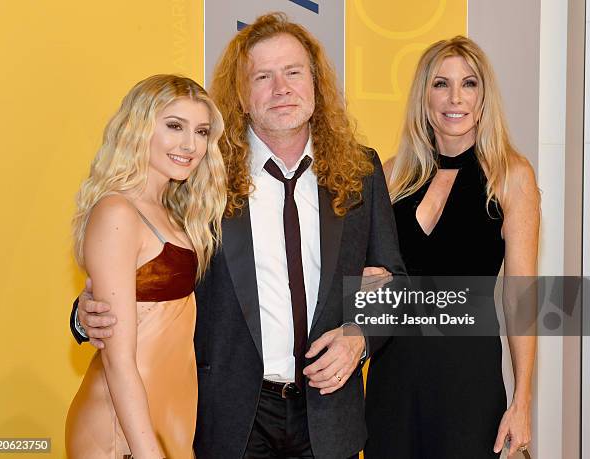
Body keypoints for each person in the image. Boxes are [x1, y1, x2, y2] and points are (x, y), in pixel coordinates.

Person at [72, 12, 407, 459]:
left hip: (330, 416)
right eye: (262, 76)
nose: (281, 88)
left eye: (293, 72)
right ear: (242, 96)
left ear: (316, 84)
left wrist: (359, 336)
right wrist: (85, 314)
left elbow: (397, 284)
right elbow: (149, 257)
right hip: (227, 419)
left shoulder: (362, 171)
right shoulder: (199, 172)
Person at [364, 36, 539, 459]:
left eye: (469, 84)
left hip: (468, 384)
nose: (455, 97)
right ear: (424, 97)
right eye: (441, 84)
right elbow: (364, 290)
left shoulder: (511, 177)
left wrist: (522, 403)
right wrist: (366, 287)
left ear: (484, 97)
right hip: (393, 381)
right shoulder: (389, 176)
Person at [65, 75, 227, 458]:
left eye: (201, 131)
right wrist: (145, 451)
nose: (190, 144)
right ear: (139, 129)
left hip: (170, 416)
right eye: (174, 126)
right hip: (124, 427)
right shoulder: (118, 212)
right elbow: (119, 360)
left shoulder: (178, 209)